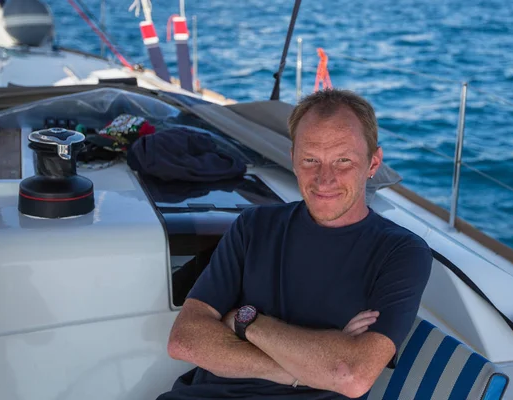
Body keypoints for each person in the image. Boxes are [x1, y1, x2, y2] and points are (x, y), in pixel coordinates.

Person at [158, 89, 433, 399]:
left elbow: (350, 376)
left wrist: (245, 322)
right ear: (293, 159)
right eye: (310, 159)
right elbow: (184, 340)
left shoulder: (401, 253)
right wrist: (308, 368)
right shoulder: (254, 226)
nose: (324, 179)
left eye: (343, 161)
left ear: (373, 163)